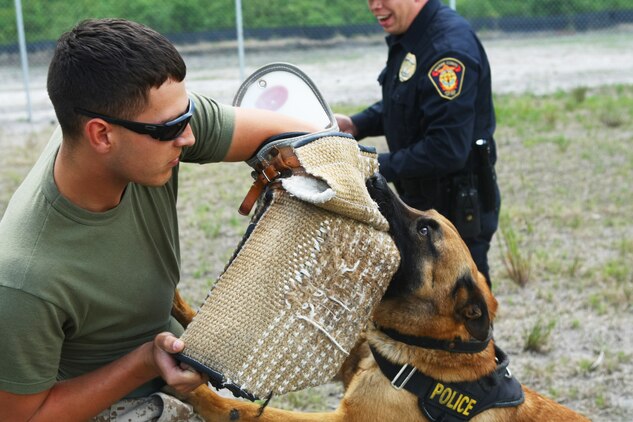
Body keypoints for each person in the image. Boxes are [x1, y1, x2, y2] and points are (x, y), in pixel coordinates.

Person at [0, 18, 318, 421]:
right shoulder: (24, 278)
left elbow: (296, 135)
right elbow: (22, 417)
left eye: (187, 115)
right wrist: (145, 362)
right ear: (101, 135)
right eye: (172, 127)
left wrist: (327, 154)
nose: (187, 137)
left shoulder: (146, 127)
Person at [337, 0, 500, 286]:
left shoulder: (447, 50)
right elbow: (408, 101)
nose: (374, 6)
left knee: (462, 316)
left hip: (455, 215)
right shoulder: (416, 35)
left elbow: (446, 150)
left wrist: (369, 165)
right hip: (425, 207)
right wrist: (356, 124)